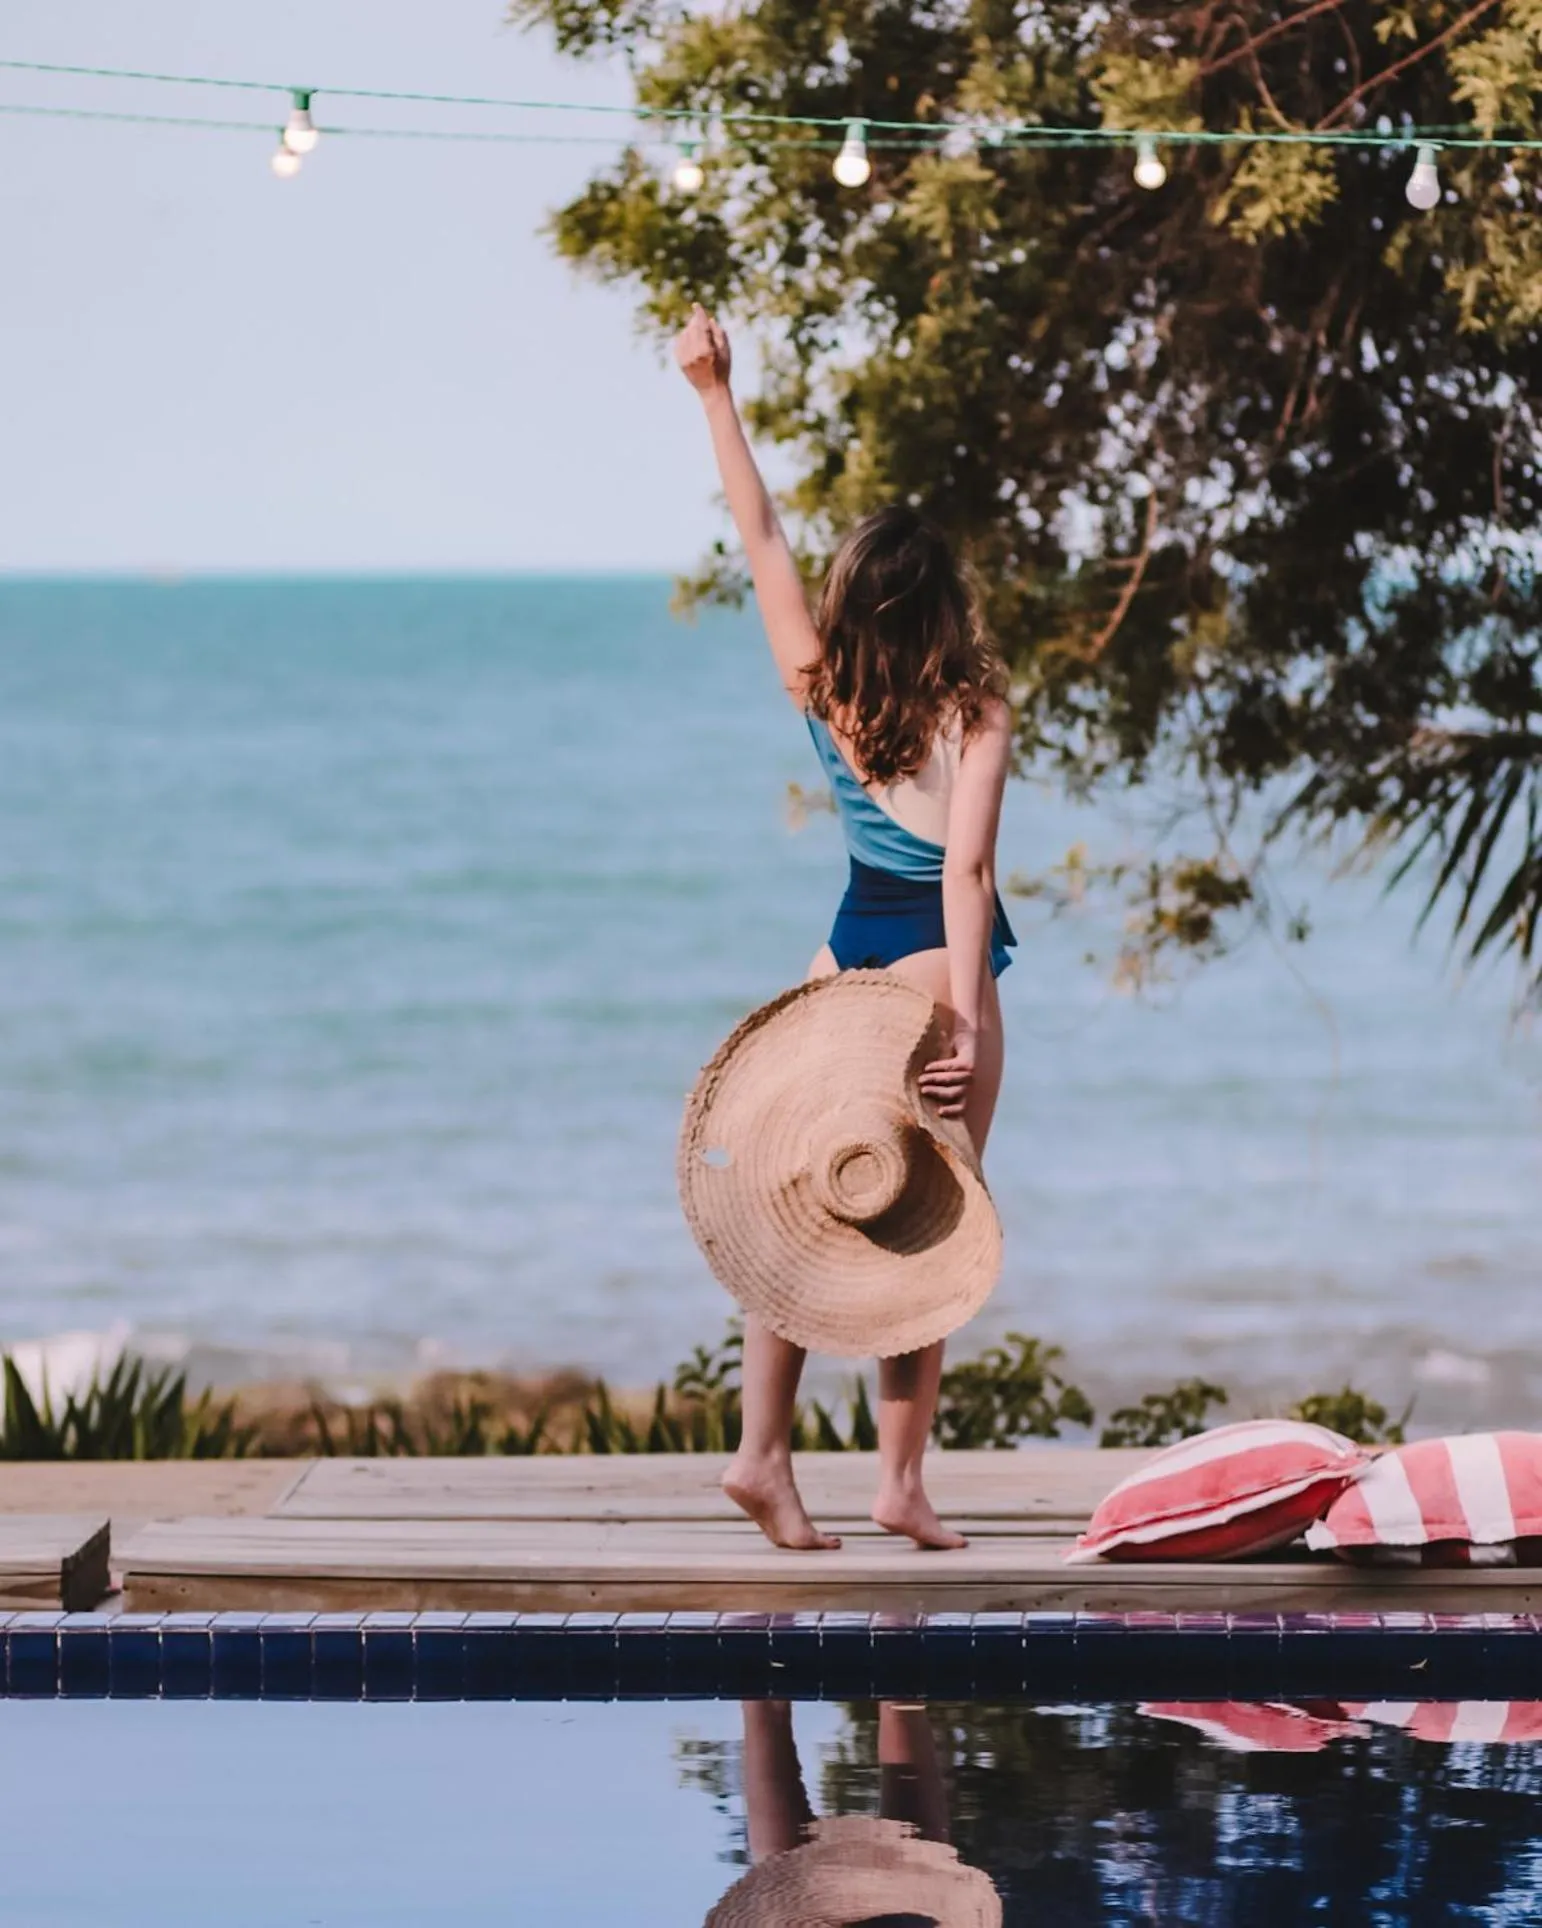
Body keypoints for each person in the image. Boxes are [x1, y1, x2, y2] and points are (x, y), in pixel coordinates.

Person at [676, 304, 1015, 1554]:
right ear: (944, 606)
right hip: (929, 968)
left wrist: (715, 394)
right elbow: (965, 867)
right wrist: (964, 1021)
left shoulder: (822, 688)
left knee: (804, 1202)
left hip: (839, 957)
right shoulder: (975, 710)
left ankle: (761, 1453)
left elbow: (760, 532)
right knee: (932, 1220)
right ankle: (900, 1482)